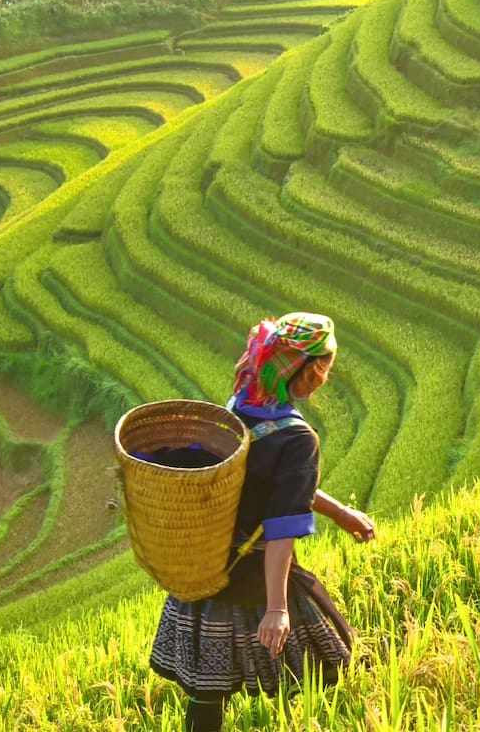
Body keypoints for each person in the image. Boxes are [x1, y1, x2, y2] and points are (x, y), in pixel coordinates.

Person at [149, 312, 376, 732]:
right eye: (325, 366)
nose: (327, 375)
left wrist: (342, 513)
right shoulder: (298, 439)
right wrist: (276, 607)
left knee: (205, 687)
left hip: (206, 562)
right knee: (330, 661)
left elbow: (273, 486)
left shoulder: (240, 406)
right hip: (254, 572)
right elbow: (282, 526)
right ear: (309, 371)